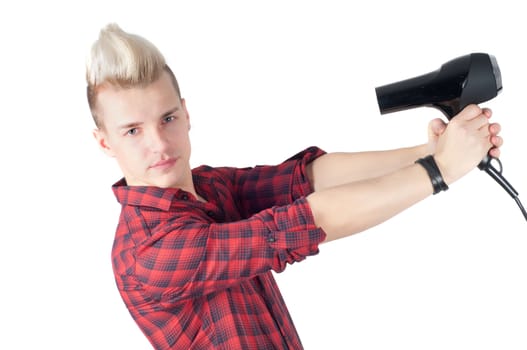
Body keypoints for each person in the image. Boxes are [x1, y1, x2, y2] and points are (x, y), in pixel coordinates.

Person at [86, 23, 503, 350]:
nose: (158, 144)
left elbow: (308, 179)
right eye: (133, 131)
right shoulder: (149, 252)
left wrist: (428, 151)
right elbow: (303, 222)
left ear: (186, 113)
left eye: (168, 119)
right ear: (105, 142)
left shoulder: (209, 187)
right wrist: (439, 171)